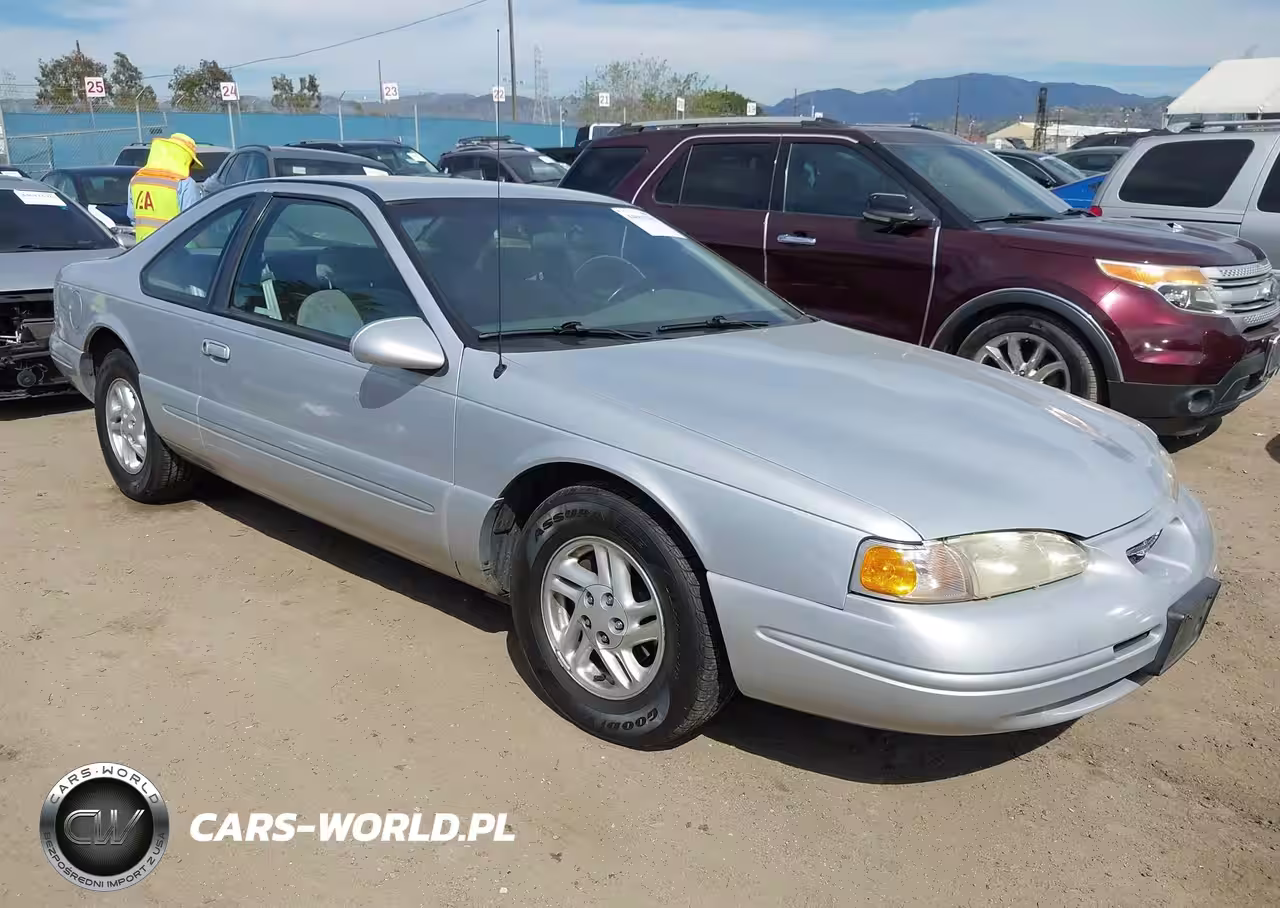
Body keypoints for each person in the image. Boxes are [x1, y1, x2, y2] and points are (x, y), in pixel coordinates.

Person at [127, 133, 203, 241]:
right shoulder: (184, 183)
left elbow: (133, 218)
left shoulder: (137, 180)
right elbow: (194, 223)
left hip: (142, 249)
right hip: (174, 251)